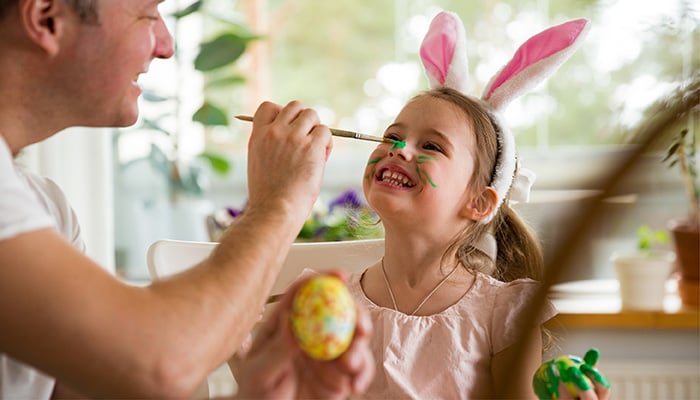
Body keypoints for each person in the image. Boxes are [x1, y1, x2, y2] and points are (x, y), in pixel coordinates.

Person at [0, 0, 373, 398]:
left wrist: (257, 393)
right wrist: (281, 201)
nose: (166, 45)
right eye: (147, 14)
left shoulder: (45, 207)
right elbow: (157, 362)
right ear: (46, 19)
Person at [338, 11, 611, 400]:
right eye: (392, 135)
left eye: (431, 145)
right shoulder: (332, 301)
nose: (398, 149)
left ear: (479, 202)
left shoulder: (503, 313)